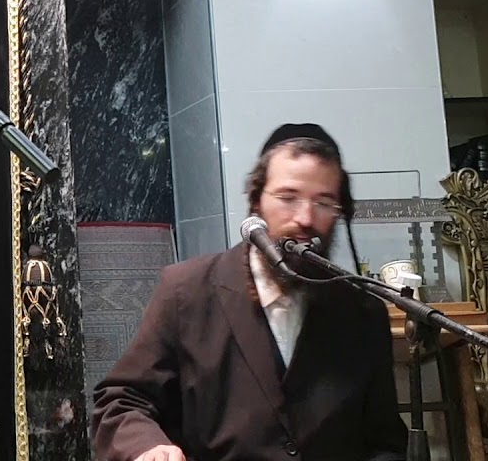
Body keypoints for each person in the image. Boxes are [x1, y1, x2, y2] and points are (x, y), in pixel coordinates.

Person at [90, 123, 408, 461]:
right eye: (288, 198)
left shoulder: (362, 311)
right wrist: (147, 447)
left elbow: (385, 441)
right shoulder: (187, 291)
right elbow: (121, 400)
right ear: (256, 202)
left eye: (324, 202)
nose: (305, 218)